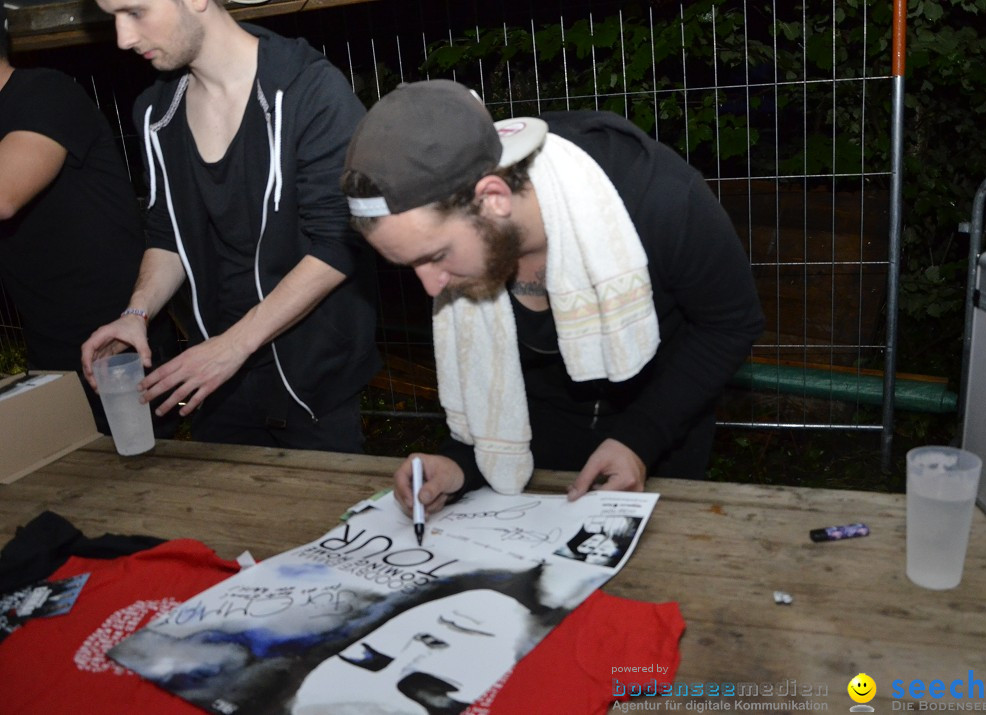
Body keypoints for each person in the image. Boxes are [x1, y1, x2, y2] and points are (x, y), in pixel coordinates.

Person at [341, 80, 763, 511]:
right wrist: (461, 462)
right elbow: (494, 376)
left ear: (493, 198)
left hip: (662, 427)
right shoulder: (457, 225)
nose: (431, 287)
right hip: (532, 457)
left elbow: (731, 323)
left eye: (436, 255)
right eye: (410, 264)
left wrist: (642, 439)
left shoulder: (662, 198)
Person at [81, 0, 380, 451]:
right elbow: (166, 235)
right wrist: (136, 314)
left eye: (135, 12)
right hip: (213, 383)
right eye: (112, 18)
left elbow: (339, 242)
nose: (122, 38)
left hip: (310, 384)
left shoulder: (307, 89)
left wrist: (234, 345)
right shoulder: (155, 112)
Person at [0, 5, 180, 436]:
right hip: (50, 345)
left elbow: (3, 196)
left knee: (151, 481)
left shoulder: (42, 92)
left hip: (118, 343)